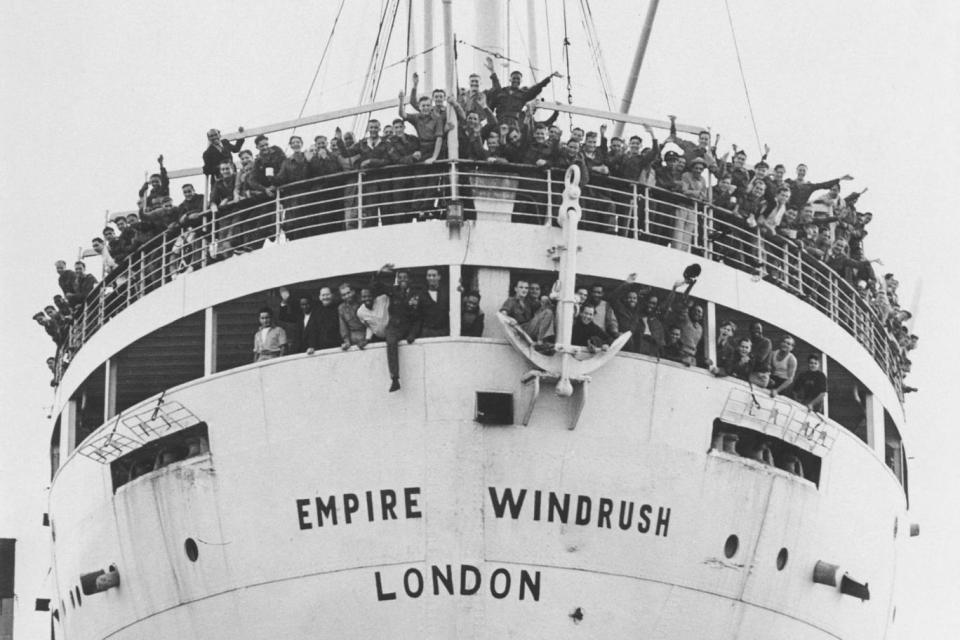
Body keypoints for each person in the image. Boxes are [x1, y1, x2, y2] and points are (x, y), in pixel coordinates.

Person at [278, 288, 322, 354]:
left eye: (307, 304)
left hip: (312, 350)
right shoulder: (299, 316)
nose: (305, 307)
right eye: (302, 305)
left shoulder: (317, 316)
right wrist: (284, 301)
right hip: (298, 351)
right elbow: (283, 317)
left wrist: (313, 347)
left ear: (311, 303)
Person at [418, 267, 449, 337]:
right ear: (426, 277)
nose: (431, 278)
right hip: (426, 332)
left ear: (439, 277)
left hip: (443, 332)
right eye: (429, 275)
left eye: (434, 275)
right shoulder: (422, 294)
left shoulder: (446, 293)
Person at [338, 283, 367, 350]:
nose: (347, 296)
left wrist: (367, 339)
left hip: (366, 336)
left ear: (353, 292)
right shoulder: (341, 308)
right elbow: (343, 327)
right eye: (344, 295)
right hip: (353, 338)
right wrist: (347, 341)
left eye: (348, 293)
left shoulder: (362, 302)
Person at [748, 321, 773, 387]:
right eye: (754, 328)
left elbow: (760, 358)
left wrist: (748, 355)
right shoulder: (750, 342)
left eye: (759, 328)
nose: (757, 330)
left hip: (760, 375)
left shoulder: (766, 342)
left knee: (742, 379)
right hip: (752, 373)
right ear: (750, 330)